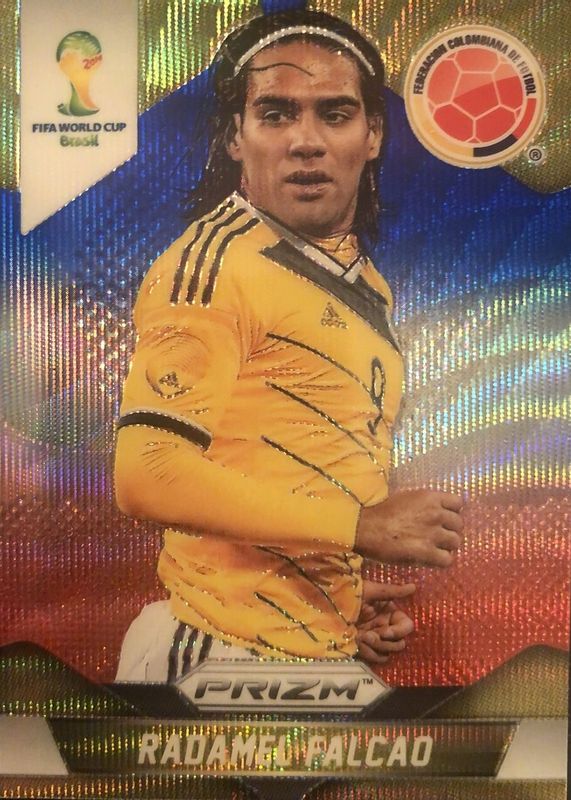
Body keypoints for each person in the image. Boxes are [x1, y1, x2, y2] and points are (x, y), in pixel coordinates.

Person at [114, 10, 464, 682]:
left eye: (334, 114)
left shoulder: (367, 285)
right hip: (210, 648)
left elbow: (298, 464)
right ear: (234, 136)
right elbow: (147, 473)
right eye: (275, 114)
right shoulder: (214, 265)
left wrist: (333, 604)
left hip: (310, 654)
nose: (306, 142)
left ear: (372, 134)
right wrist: (361, 528)